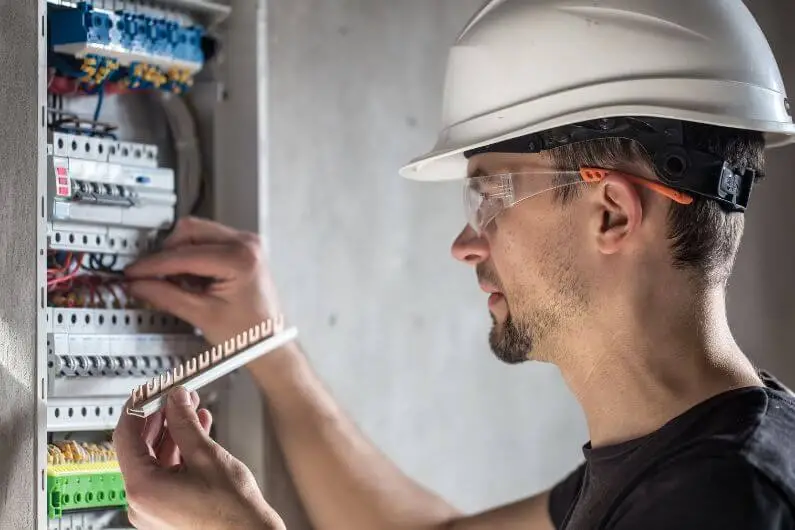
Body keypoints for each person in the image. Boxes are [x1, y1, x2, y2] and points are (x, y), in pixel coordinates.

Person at [113, 0, 795, 528]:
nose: (465, 243)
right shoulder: (678, 461)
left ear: (610, 213)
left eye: (490, 193)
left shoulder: (721, 501)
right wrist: (270, 347)